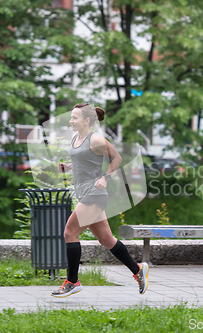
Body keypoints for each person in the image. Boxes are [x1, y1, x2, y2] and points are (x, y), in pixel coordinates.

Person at [51, 103, 149, 298]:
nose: (71, 121)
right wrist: (68, 167)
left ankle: (72, 281)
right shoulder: (75, 138)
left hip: (93, 194)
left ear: (87, 120)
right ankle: (138, 270)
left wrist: (106, 177)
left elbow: (117, 158)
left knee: (70, 233)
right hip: (85, 193)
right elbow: (83, 161)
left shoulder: (96, 139)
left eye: (75, 118)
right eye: (71, 117)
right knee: (106, 240)